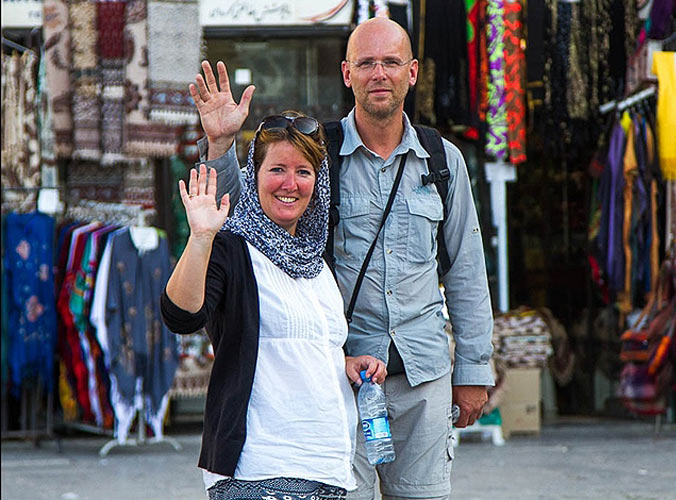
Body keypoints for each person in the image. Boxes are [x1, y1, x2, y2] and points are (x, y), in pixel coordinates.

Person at [190, 17, 494, 500]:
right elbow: (242, 220)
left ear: (412, 72)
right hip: (339, 378)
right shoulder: (318, 155)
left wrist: (474, 371)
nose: (380, 73)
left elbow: (467, 272)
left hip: (424, 378)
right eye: (366, 63)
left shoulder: (442, 160)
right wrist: (222, 146)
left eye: (391, 62)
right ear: (346, 73)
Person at [160, 111, 387, 500]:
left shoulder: (316, 260)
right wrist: (200, 238)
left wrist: (344, 364)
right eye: (277, 169)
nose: (290, 184)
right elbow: (180, 315)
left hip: (326, 467)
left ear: (319, 181)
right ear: (254, 176)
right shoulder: (232, 247)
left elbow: (295, 346)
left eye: (303, 171)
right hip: (259, 470)